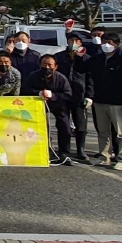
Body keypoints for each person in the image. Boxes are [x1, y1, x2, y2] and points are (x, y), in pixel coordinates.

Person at [89, 32, 122, 170]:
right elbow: (83, 69)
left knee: (121, 132)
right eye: (104, 42)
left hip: (117, 102)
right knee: (103, 131)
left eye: (110, 42)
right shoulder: (97, 59)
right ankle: (104, 156)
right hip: (100, 100)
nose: (106, 45)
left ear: (117, 45)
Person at [23, 54, 74, 165]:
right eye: (44, 64)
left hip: (58, 105)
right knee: (41, 127)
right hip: (39, 105)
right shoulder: (33, 76)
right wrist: (38, 93)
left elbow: (68, 95)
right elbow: (25, 89)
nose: (47, 67)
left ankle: (64, 153)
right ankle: (44, 150)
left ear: (55, 66)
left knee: (65, 126)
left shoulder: (61, 78)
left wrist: (54, 96)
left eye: (49, 65)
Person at [54, 33, 94, 163]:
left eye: (76, 40)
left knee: (81, 125)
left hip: (79, 96)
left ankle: (80, 150)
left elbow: (90, 78)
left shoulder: (87, 59)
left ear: (81, 43)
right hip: (62, 95)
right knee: (63, 125)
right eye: (71, 40)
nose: (73, 42)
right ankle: (64, 150)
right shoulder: (59, 57)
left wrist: (89, 95)